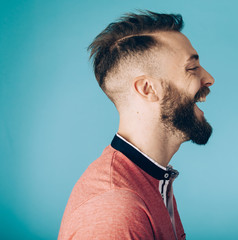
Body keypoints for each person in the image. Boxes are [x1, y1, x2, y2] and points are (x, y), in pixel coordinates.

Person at [58, 10, 215, 240]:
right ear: (148, 89)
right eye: (192, 69)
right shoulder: (116, 212)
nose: (209, 78)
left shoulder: (151, 178)